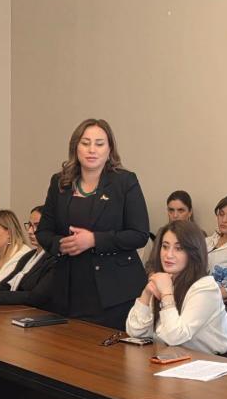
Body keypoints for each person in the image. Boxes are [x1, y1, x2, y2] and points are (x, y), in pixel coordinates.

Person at [36, 118, 150, 330]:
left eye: (99, 144)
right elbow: (44, 231)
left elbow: (139, 234)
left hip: (115, 292)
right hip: (68, 288)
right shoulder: (60, 182)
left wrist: (94, 240)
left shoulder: (125, 182)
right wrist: (60, 244)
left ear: (109, 149)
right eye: (85, 143)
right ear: (75, 147)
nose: (92, 150)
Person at [125, 221, 227, 356]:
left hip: (215, 361)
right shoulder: (164, 279)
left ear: (193, 252)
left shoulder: (206, 287)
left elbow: (174, 337)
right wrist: (146, 293)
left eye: (178, 248)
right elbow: (135, 332)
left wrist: (166, 294)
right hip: (176, 357)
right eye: (165, 247)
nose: (169, 255)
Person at [0, 206, 58, 308]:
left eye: (37, 225)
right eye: (30, 225)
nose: (30, 231)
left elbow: (36, 297)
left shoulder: (57, 258)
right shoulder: (29, 256)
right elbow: (7, 284)